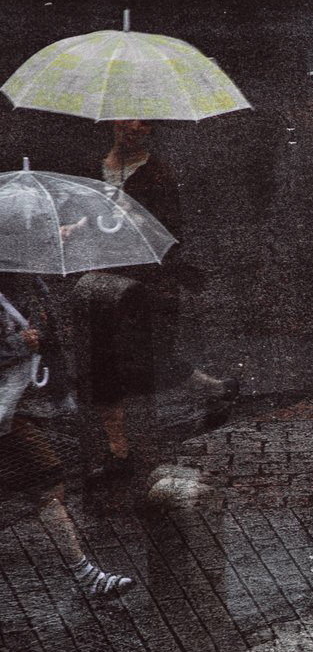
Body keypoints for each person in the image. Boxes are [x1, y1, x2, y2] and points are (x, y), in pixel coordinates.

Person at [79, 120, 233, 481]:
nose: (132, 127)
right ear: (114, 122)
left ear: (149, 131)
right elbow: (83, 211)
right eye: (126, 120)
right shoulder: (93, 168)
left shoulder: (158, 174)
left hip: (142, 281)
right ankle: (120, 452)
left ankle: (215, 391)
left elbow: (172, 233)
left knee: (148, 360)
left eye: (142, 123)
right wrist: (76, 226)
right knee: (103, 365)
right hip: (100, 276)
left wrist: (136, 219)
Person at [0, 289, 134, 603]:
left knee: (48, 489)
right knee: (48, 487)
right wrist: (20, 344)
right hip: (8, 412)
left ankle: (86, 575)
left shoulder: (25, 279)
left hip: (20, 404)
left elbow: (49, 333)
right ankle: (86, 575)